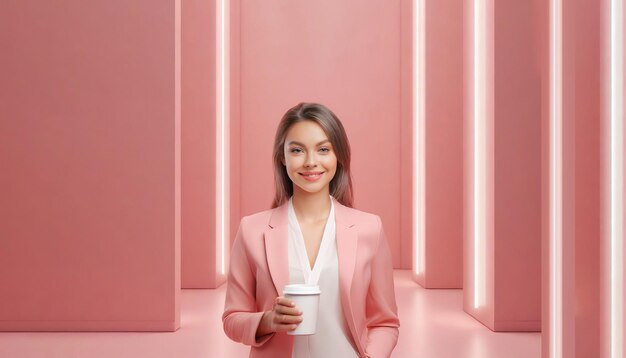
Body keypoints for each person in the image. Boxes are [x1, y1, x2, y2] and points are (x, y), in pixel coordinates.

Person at [222, 102, 400, 358]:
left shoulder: (369, 228)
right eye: (297, 150)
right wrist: (268, 321)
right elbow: (232, 318)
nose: (310, 162)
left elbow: (385, 322)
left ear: (338, 156)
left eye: (323, 149)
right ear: (282, 157)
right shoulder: (252, 230)